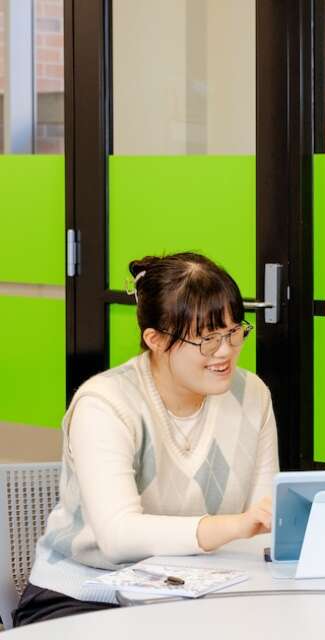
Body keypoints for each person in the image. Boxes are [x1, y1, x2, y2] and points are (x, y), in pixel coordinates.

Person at [14, 253, 278, 626]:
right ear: (155, 339)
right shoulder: (105, 404)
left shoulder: (252, 395)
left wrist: (257, 525)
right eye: (206, 339)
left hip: (202, 593)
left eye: (234, 332)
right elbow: (118, 536)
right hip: (88, 595)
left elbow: (264, 521)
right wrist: (233, 526)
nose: (225, 352)